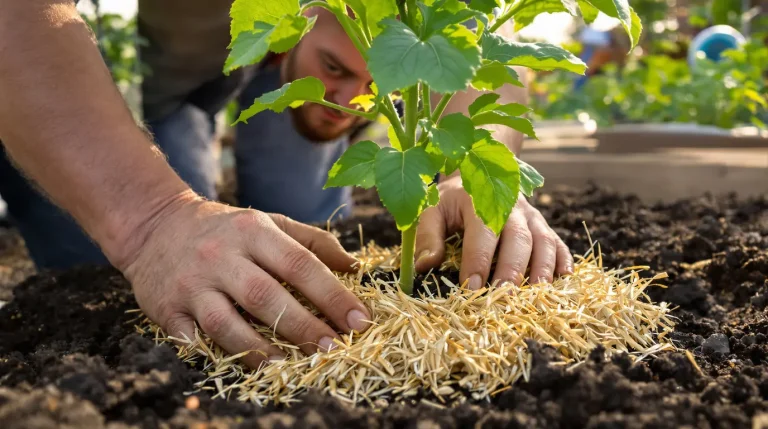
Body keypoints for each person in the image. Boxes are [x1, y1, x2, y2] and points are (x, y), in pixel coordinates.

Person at [0, 1, 573, 368]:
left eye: (376, 82)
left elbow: (467, 31)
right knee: (103, 257)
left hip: (282, 65)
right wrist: (153, 220)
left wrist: (467, 173)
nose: (352, 101)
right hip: (177, 81)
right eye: (337, 69)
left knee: (305, 222)